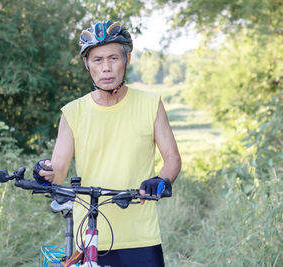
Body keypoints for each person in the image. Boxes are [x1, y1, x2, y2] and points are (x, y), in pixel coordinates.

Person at [33, 21, 181, 266]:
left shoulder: (150, 104)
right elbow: (57, 171)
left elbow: (173, 158)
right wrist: (45, 171)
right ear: (87, 64)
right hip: (91, 233)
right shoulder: (73, 112)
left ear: (127, 59)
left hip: (140, 235)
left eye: (113, 58)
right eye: (98, 60)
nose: (106, 68)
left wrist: (161, 180)